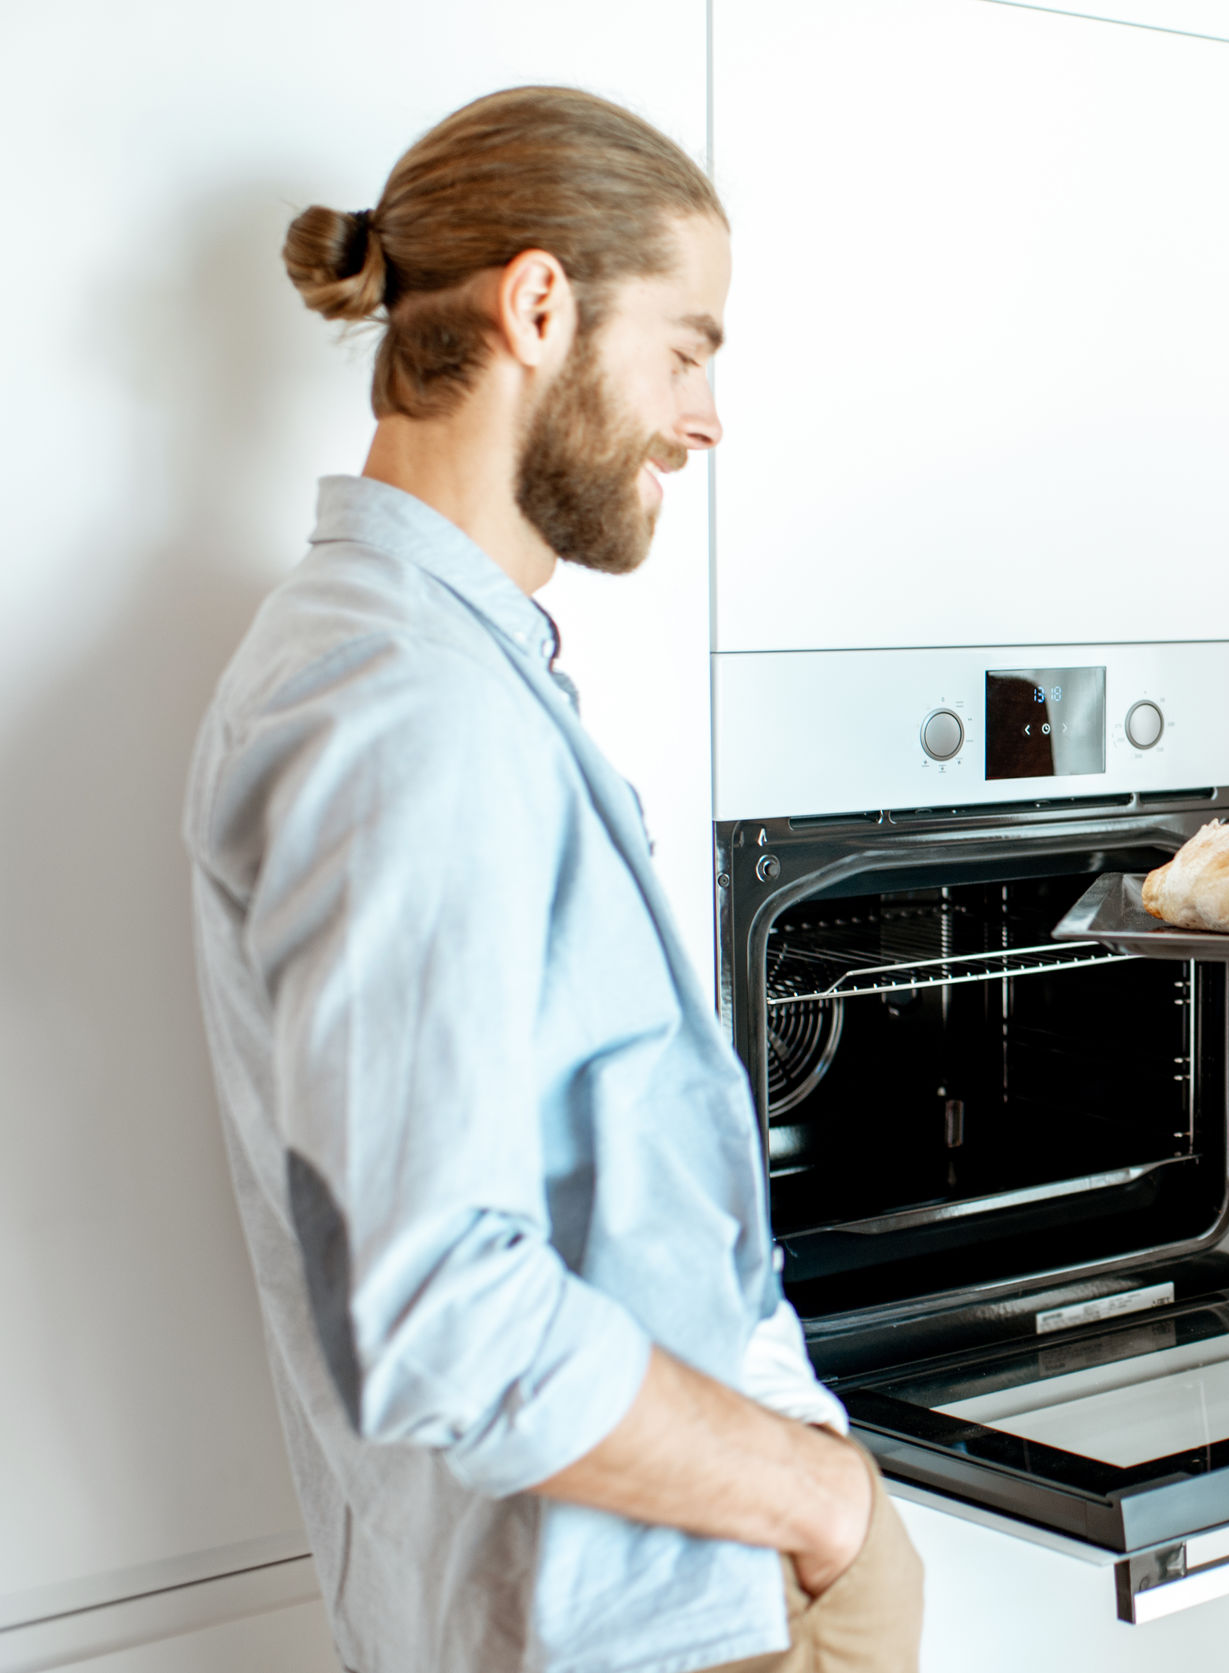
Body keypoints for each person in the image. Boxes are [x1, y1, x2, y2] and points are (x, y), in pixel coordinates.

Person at [185, 88, 921, 1673]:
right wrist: (823, 1501)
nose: (706, 414)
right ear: (538, 307)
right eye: (689, 346)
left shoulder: (444, 670)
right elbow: (445, 1311)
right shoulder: (398, 703)